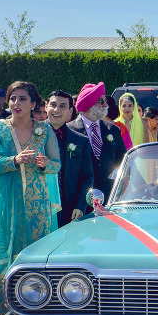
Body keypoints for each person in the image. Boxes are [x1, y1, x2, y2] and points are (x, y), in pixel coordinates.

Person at [0, 81, 61, 315]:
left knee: (35, 264)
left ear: (34, 104)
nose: (16, 103)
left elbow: (56, 164)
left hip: (37, 208)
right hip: (5, 207)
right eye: (13, 98)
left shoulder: (44, 130)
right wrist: (13, 161)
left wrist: (45, 164)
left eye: (23, 99)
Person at [67, 82, 128, 202]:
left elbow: (123, 161)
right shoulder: (70, 130)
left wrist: (124, 184)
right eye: (101, 101)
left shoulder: (113, 130)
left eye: (105, 101)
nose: (106, 105)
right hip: (79, 197)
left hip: (109, 196)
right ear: (89, 104)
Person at [46, 90, 95, 228]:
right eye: (53, 105)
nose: (57, 110)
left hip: (69, 210)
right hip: (39, 207)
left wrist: (80, 205)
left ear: (70, 111)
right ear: (46, 107)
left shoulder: (81, 141)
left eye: (62, 106)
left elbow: (87, 177)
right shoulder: (32, 135)